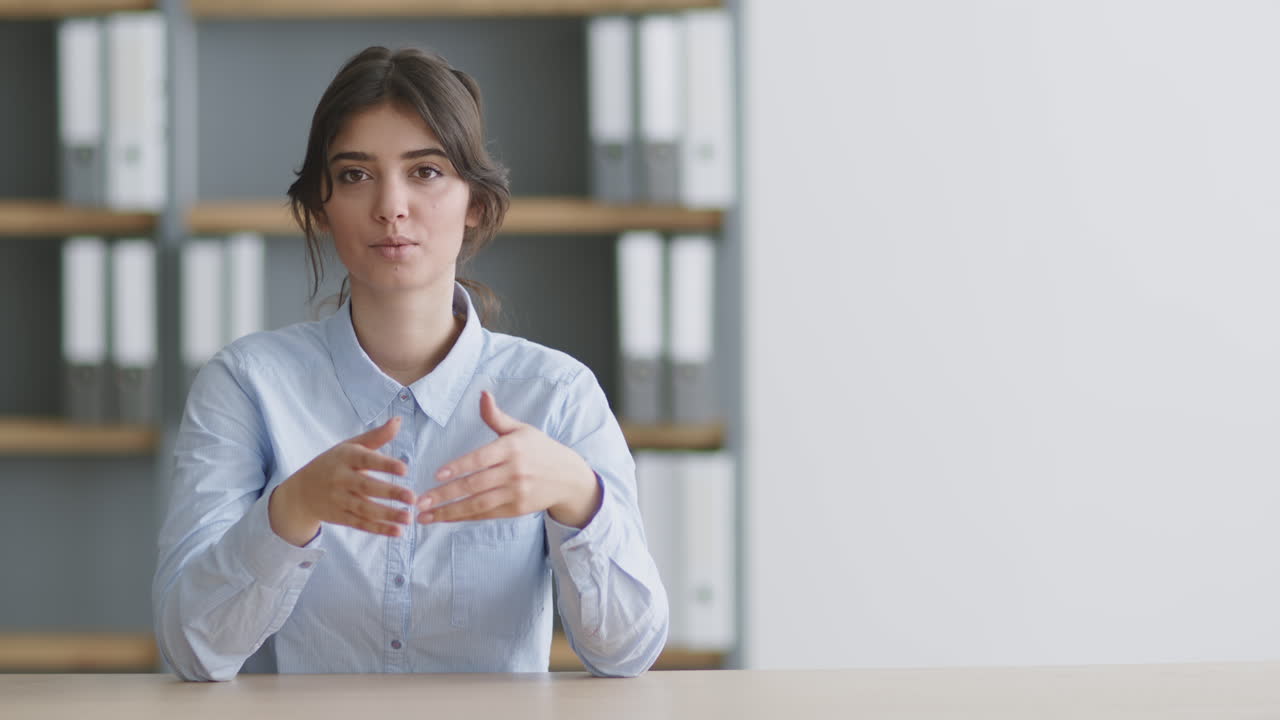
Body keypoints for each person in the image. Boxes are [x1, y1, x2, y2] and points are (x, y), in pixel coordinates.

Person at [152, 46, 669, 681]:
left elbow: (628, 653)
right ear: (321, 207)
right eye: (355, 175)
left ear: (475, 202)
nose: (390, 206)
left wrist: (575, 492)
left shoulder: (558, 394)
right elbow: (190, 651)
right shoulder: (246, 385)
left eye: (425, 172)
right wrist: (292, 508)